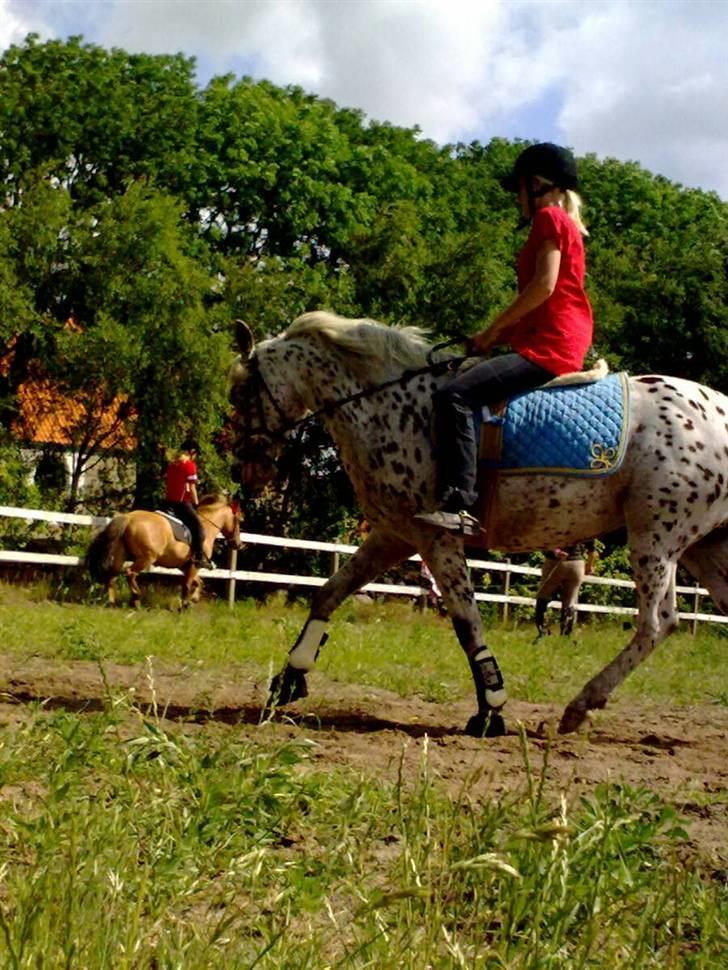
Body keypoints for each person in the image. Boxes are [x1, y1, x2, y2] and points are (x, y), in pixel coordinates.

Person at [416, 142, 593, 534]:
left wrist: (492, 330)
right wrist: (489, 340)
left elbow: (543, 287)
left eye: (518, 188)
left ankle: (459, 502)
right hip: (553, 337)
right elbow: (539, 299)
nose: (516, 198)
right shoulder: (564, 222)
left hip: (551, 345)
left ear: (536, 185)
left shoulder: (548, 217)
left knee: (454, 397)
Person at [534, 540, 597, 636]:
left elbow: (547, 541)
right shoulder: (583, 526)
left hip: (555, 561)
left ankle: (542, 630)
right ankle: (566, 633)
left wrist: (556, 551)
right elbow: (592, 549)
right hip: (577, 564)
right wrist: (589, 565)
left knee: (543, 595)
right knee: (570, 601)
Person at [163, 438, 209, 567]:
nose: (196, 457)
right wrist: (196, 503)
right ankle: (198, 557)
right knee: (199, 529)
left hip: (167, 503)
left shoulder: (172, 464)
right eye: (196, 454)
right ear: (192, 452)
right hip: (181, 504)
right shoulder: (190, 465)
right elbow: (192, 488)